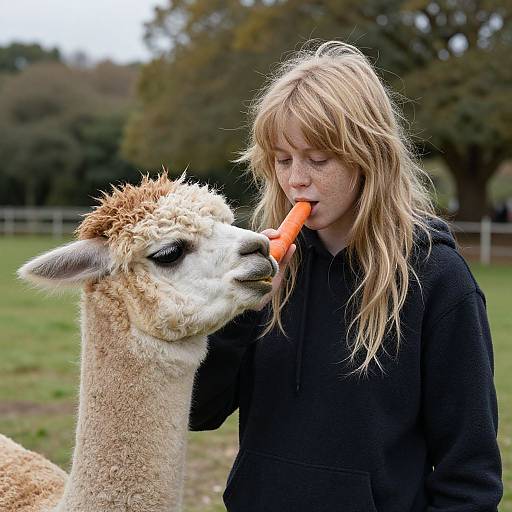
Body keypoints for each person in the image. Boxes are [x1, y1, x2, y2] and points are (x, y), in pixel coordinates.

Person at [189, 41, 502, 511]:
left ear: (368, 157)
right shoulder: (260, 267)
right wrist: (240, 310)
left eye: (318, 160)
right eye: (282, 159)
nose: (296, 179)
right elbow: (198, 411)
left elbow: (470, 476)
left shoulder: (438, 280)